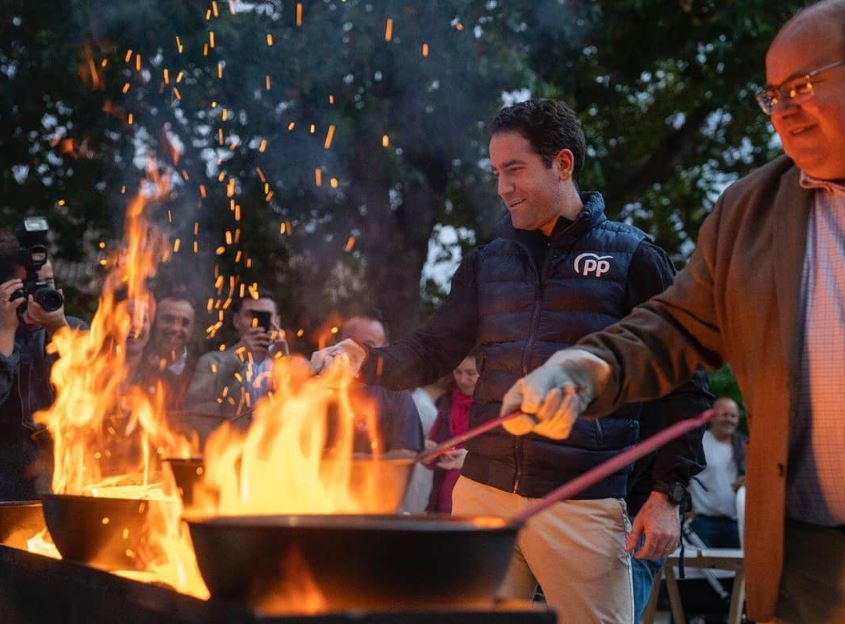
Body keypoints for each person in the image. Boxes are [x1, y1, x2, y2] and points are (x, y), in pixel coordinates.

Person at [499, 2, 845, 621]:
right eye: (772, 95)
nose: (785, 112)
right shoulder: (748, 213)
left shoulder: (627, 251)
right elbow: (678, 325)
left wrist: (666, 490)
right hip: (810, 556)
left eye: (803, 86)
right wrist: (584, 369)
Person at [313, 99, 707, 623]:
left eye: (515, 169)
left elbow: (685, 379)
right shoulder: (487, 262)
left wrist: (668, 493)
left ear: (562, 164)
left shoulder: (634, 258)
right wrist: (364, 360)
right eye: (496, 172)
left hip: (583, 501)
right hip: (483, 494)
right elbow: (433, 348)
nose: (502, 187)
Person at [0, 232, 87, 500]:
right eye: (29, 287)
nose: (40, 294)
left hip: (60, 482)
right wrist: (5, 332)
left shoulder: (72, 329)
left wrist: (57, 329)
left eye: (48, 284)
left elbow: (93, 393)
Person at [185, 294, 287, 420]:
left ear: (277, 321)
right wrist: (237, 357)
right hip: (231, 438)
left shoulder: (293, 363)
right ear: (236, 320)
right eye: (251, 315)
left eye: (265, 316)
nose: (256, 323)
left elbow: (306, 407)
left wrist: (284, 363)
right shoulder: (212, 362)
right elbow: (194, 401)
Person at [338, 313, 424, 455]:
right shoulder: (321, 388)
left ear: (385, 348)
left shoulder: (395, 392)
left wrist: (353, 463)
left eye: (368, 345)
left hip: (376, 477)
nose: (357, 351)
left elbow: (405, 455)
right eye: (351, 343)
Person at [688, 397, 746, 549]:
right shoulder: (699, 443)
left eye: (733, 416)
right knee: (702, 571)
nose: (729, 420)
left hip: (737, 522)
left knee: (738, 570)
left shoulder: (743, 445)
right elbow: (684, 476)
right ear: (712, 416)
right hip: (703, 522)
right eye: (724, 414)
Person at [426, 353, 478, 513]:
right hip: (442, 497)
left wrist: (468, 459)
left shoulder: (495, 408)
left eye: (471, 373)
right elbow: (432, 456)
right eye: (458, 372)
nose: (462, 380)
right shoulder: (445, 402)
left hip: (476, 499)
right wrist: (430, 451)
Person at [135, 289, 197, 411]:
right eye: (168, 319)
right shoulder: (134, 364)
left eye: (185, 323)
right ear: (153, 321)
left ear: (192, 329)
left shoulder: (199, 371)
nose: (175, 328)